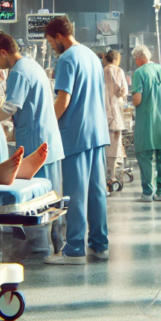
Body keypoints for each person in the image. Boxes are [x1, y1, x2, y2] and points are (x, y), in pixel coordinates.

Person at [0, 33, 66, 258]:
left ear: (3, 52)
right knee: (52, 196)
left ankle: (40, 247)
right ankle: (57, 240)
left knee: (37, 198)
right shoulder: (32, 66)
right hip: (47, 140)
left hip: (36, 143)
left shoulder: (19, 72)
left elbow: (10, 108)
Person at [44, 17, 110, 265]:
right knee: (96, 192)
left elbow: (63, 102)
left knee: (76, 193)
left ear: (59, 36)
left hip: (76, 133)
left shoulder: (67, 58)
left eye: (51, 41)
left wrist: (46, 125)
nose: (52, 47)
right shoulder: (92, 57)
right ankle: (99, 245)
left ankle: (74, 250)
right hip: (97, 132)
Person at [131, 45, 161, 202]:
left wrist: (132, 101)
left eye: (135, 59)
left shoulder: (139, 73)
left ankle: (147, 192)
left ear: (140, 59)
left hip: (147, 121)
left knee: (145, 156)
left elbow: (138, 99)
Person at [102, 50, 128, 192]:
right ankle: (112, 176)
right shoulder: (119, 71)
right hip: (116, 115)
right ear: (117, 59)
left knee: (105, 148)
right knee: (115, 147)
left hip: (103, 115)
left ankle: (105, 177)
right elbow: (123, 91)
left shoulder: (102, 72)